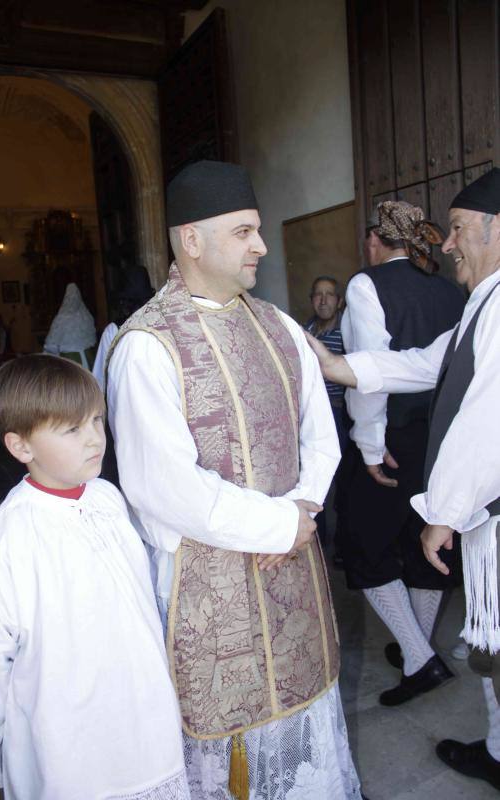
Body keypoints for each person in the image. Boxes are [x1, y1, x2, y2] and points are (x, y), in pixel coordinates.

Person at [107, 160, 362, 800]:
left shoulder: (278, 327)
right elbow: (162, 485)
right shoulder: (146, 344)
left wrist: (303, 509)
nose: (262, 245)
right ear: (191, 240)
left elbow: (320, 437)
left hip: (294, 569)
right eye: (245, 232)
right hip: (208, 583)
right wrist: (282, 525)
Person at [307, 167, 500, 792]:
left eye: (461, 229)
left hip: (475, 492)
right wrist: (339, 365)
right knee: (490, 641)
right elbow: (430, 361)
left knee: (492, 637)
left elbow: (486, 414)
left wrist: (443, 510)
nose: (446, 244)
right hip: (467, 484)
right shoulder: (479, 297)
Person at [0, 354, 189, 800]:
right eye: (72, 429)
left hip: (146, 720)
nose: (94, 440)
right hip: (67, 748)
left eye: (96, 421)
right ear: (21, 447)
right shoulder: (6, 538)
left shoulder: (108, 498)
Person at [338, 200, 465, 706]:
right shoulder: (450, 290)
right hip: (442, 441)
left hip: (392, 438)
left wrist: (369, 444)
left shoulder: (366, 283)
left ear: (375, 239)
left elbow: (368, 371)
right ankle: (417, 650)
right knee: (423, 541)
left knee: (363, 543)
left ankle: (418, 657)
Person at [304, 276, 349, 552]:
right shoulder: (305, 331)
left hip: (340, 414)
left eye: (329, 295)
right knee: (316, 481)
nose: (323, 300)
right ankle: (319, 542)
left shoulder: (347, 331)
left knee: (342, 483)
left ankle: (343, 545)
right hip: (313, 415)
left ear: (339, 301)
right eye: (318, 294)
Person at [93, 266, 155, 392]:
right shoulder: (161, 327)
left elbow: (100, 376)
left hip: (122, 401)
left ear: (122, 302)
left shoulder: (113, 330)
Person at [44, 282, 96, 368]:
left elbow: (51, 345)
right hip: (89, 358)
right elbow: (93, 340)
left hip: (70, 361)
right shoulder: (87, 315)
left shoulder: (61, 317)